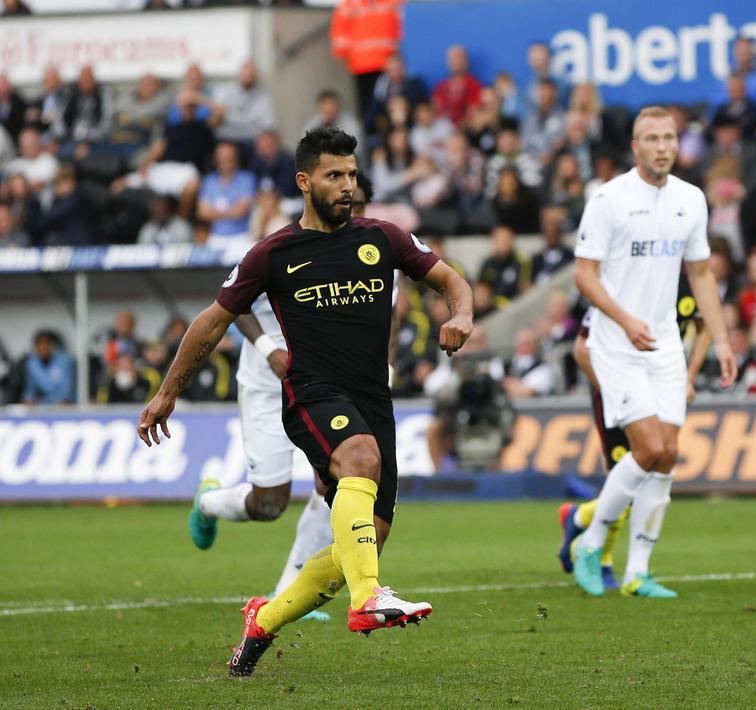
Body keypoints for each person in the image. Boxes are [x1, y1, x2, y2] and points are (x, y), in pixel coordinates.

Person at [136, 127, 474, 676]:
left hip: (373, 399)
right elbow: (213, 320)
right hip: (310, 393)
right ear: (304, 181)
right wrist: (167, 392)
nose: (348, 185)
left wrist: (461, 314)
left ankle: (263, 620)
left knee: (361, 543)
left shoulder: (384, 237)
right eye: (334, 175)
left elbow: (451, 280)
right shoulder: (273, 253)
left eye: (352, 174)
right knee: (358, 461)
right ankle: (369, 602)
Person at [183, 173, 376, 623]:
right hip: (270, 382)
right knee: (269, 504)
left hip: (328, 384)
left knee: (334, 483)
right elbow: (232, 304)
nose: (355, 210)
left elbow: (383, 317)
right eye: (349, 200)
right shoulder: (281, 246)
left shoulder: (373, 253)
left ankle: (288, 589)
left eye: (362, 203)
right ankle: (208, 503)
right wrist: (269, 348)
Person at [567, 106, 736, 598]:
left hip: (664, 345)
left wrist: (722, 339)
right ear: (636, 147)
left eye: (669, 138)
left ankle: (639, 570)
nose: (662, 146)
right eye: (652, 139)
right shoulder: (609, 199)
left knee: (668, 458)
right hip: (616, 342)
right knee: (649, 449)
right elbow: (584, 274)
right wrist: (626, 320)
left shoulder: (691, 199)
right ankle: (591, 541)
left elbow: (701, 273)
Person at [557, 270, 713, 590]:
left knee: (655, 464)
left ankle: (580, 519)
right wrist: (612, 390)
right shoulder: (624, 280)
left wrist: (689, 375)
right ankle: (602, 562)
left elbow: (706, 325)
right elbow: (581, 350)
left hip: (659, 384)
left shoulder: (686, 281)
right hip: (617, 388)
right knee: (627, 472)